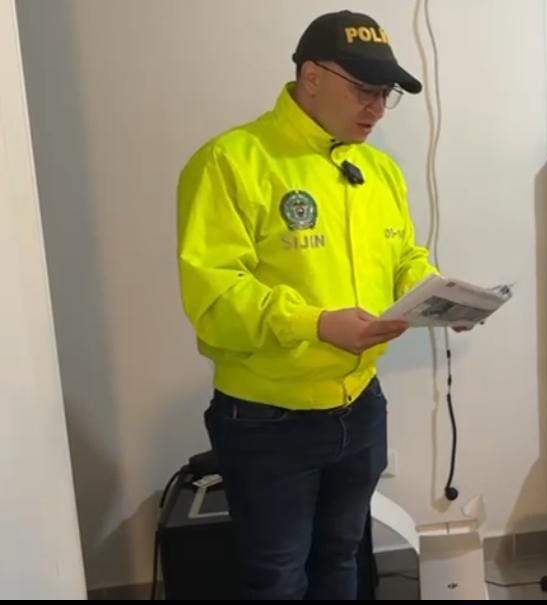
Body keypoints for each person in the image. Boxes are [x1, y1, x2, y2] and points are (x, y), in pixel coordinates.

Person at [177, 10, 437, 599]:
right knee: (276, 577)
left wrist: (434, 293)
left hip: (361, 405)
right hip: (269, 418)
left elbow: (404, 255)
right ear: (312, 76)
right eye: (365, 89)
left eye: (387, 94)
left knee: (342, 558)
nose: (377, 108)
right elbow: (215, 296)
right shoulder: (231, 161)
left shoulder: (378, 169)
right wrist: (316, 325)